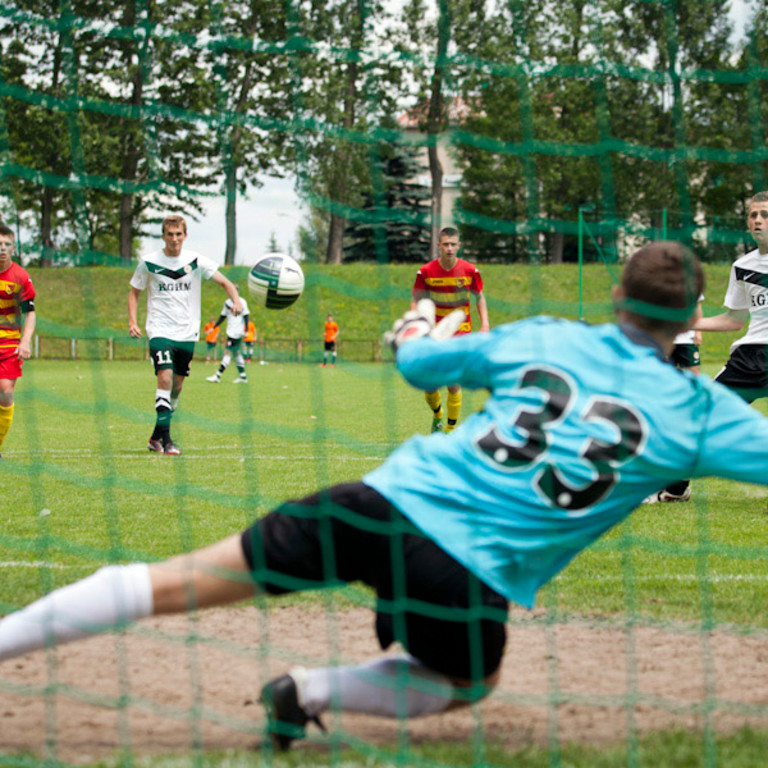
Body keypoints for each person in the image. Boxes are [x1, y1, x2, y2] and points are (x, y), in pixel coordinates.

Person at [5, 243, 768, 754]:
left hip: (379, 501)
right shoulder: (702, 414)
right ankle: (308, 691)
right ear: (694, 315)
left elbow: (421, 369)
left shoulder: (550, 337)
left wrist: (411, 331)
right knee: (468, 684)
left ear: (616, 297)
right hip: (465, 576)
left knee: (179, 581)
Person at [128, 215, 242, 455]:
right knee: (165, 378)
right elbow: (134, 292)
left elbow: (226, 282)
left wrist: (236, 302)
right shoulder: (148, 262)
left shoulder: (196, 261)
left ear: (185, 235)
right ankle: (168, 440)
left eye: (178, 234)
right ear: (163, 236)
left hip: (187, 333)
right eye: (170, 234)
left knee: (177, 387)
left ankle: (156, 436)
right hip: (159, 329)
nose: (174, 239)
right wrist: (132, 321)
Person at [411, 226, 489, 433]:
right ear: (438, 245)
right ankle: (437, 415)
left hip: (461, 332)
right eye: (445, 244)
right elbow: (416, 299)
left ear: (459, 246)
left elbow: (479, 297)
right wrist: (414, 324)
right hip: (435, 333)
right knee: (430, 385)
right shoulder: (426, 271)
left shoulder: (470, 270)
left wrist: (485, 325)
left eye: (453, 244)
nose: (449, 248)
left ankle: (450, 430)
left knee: (454, 383)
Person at [695, 190, 768, 403]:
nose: (758, 220)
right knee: (705, 409)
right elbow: (734, 320)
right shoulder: (742, 267)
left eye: (765, 215)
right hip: (751, 359)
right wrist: (687, 324)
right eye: (753, 215)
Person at [644, 296, 704, 504]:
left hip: (685, 340)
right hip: (664, 340)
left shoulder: (690, 276)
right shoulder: (656, 276)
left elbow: (697, 306)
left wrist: (698, 330)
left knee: (695, 389)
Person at [0, 225, 36, 460]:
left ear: (13, 247)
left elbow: (30, 312)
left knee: (5, 391)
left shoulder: (20, 276)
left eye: (6, 245)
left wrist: (25, 341)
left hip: (9, 345)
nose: (1, 249)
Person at [205, 293, 252, 384]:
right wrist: (213, 328)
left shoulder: (242, 302)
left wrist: (246, 330)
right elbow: (222, 317)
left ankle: (218, 376)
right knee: (236, 354)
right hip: (232, 332)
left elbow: (246, 316)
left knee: (227, 352)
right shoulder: (227, 303)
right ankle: (243, 377)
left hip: (235, 333)